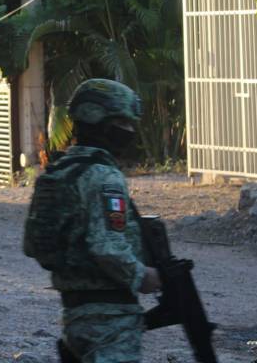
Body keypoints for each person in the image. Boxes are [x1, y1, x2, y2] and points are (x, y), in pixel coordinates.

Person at [27, 79, 162, 363]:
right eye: (123, 124)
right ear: (101, 122)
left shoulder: (62, 171)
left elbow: (34, 246)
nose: (129, 132)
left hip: (76, 313)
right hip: (109, 319)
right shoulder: (104, 176)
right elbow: (106, 247)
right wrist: (144, 276)